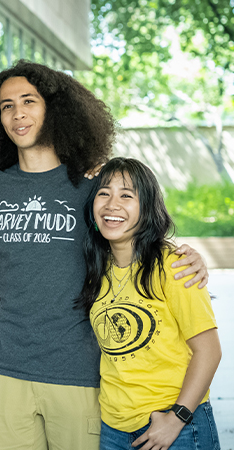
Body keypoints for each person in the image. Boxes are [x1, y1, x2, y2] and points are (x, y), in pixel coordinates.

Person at [0, 60, 209, 449]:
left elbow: (132, 227)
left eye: (29, 101)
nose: (18, 113)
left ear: (53, 110)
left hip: (79, 372)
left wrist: (187, 255)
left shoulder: (90, 185)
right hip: (6, 369)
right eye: (6, 106)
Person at [77, 157, 221, 450]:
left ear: (147, 208)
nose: (112, 204)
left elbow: (209, 351)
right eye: (104, 193)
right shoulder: (94, 269)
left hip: (176, 425)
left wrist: (176, 419)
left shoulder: (174, 266)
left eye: (127, 195)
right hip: (113, 429)